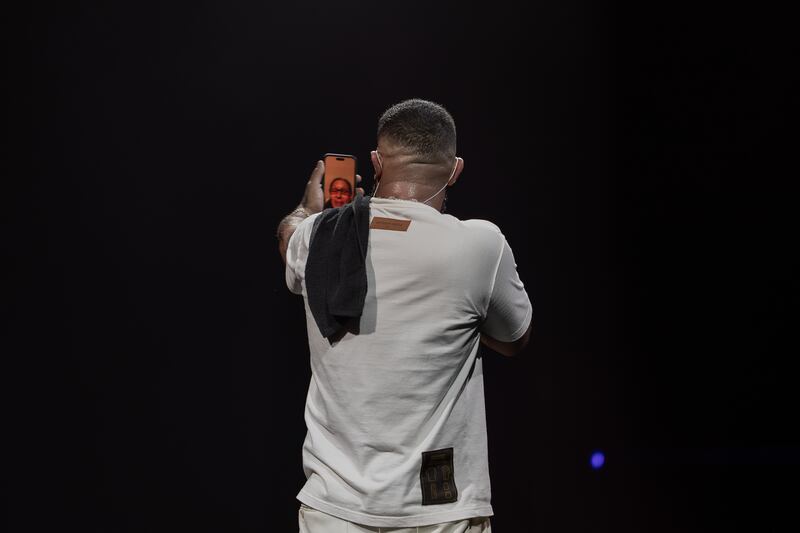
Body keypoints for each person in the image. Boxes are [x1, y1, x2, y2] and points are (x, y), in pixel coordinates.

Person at [277, 99, 532, 532]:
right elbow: (514, 339)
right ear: (455, 170)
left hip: (334, 511)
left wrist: (306, 210)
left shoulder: (321, 237)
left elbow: (289, 239)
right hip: (437, 507)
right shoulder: (480, 246)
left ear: (376, 163)